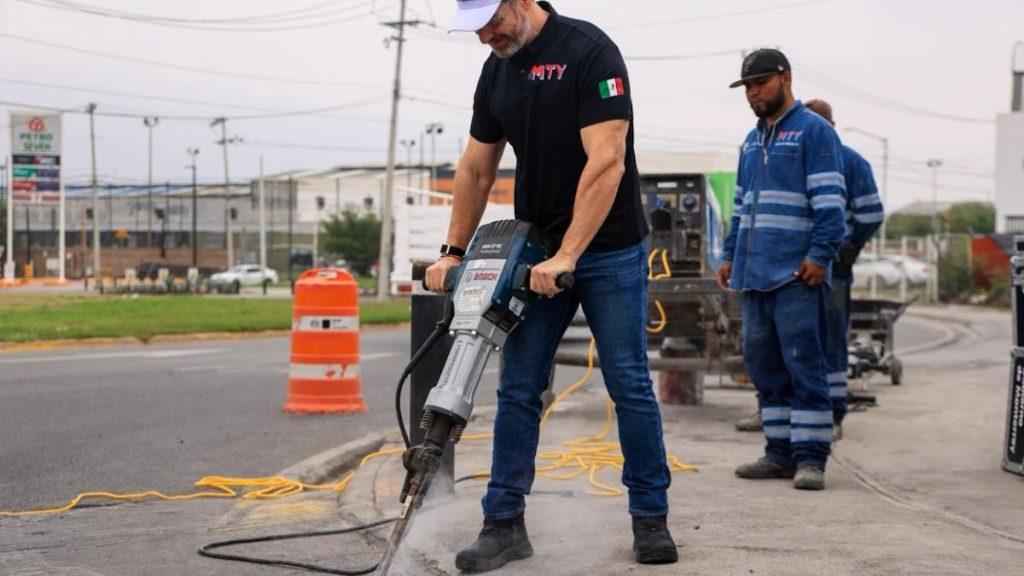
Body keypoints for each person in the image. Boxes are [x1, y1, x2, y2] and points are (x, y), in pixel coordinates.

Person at [427, 0, 677, 571]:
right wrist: (452, 252)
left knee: (628, 382)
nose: (485, 35)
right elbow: (475, 168)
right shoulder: (497, 68)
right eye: (475, 28)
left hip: (610, 251)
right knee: (518, 386)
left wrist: (570, 253)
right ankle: (504, 523)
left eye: (491, 21)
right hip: (537, 252)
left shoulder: (590, 53)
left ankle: (650, 518)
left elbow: (607, 161)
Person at [717, 49, 846, 491]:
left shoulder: (814, 132)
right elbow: (741, 209)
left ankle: (811, 459)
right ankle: (779, 454)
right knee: (764, 365)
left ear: (785, 78)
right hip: (753, 276)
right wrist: (729, 255)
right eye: (748, 87)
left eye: (761, 83)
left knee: (804, 365)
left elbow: (831, 203)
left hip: (795, 275)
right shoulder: (750, 143)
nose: (754, 93)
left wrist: (820, 255)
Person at [804, 99, 885, 436]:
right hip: (800, 267)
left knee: (830, 339)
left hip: (832, 268)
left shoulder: (851, 162)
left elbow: (871, 214)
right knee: (797, 341)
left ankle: (833, 414)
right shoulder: (802, 158)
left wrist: (850, 246)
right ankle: (793, 413)